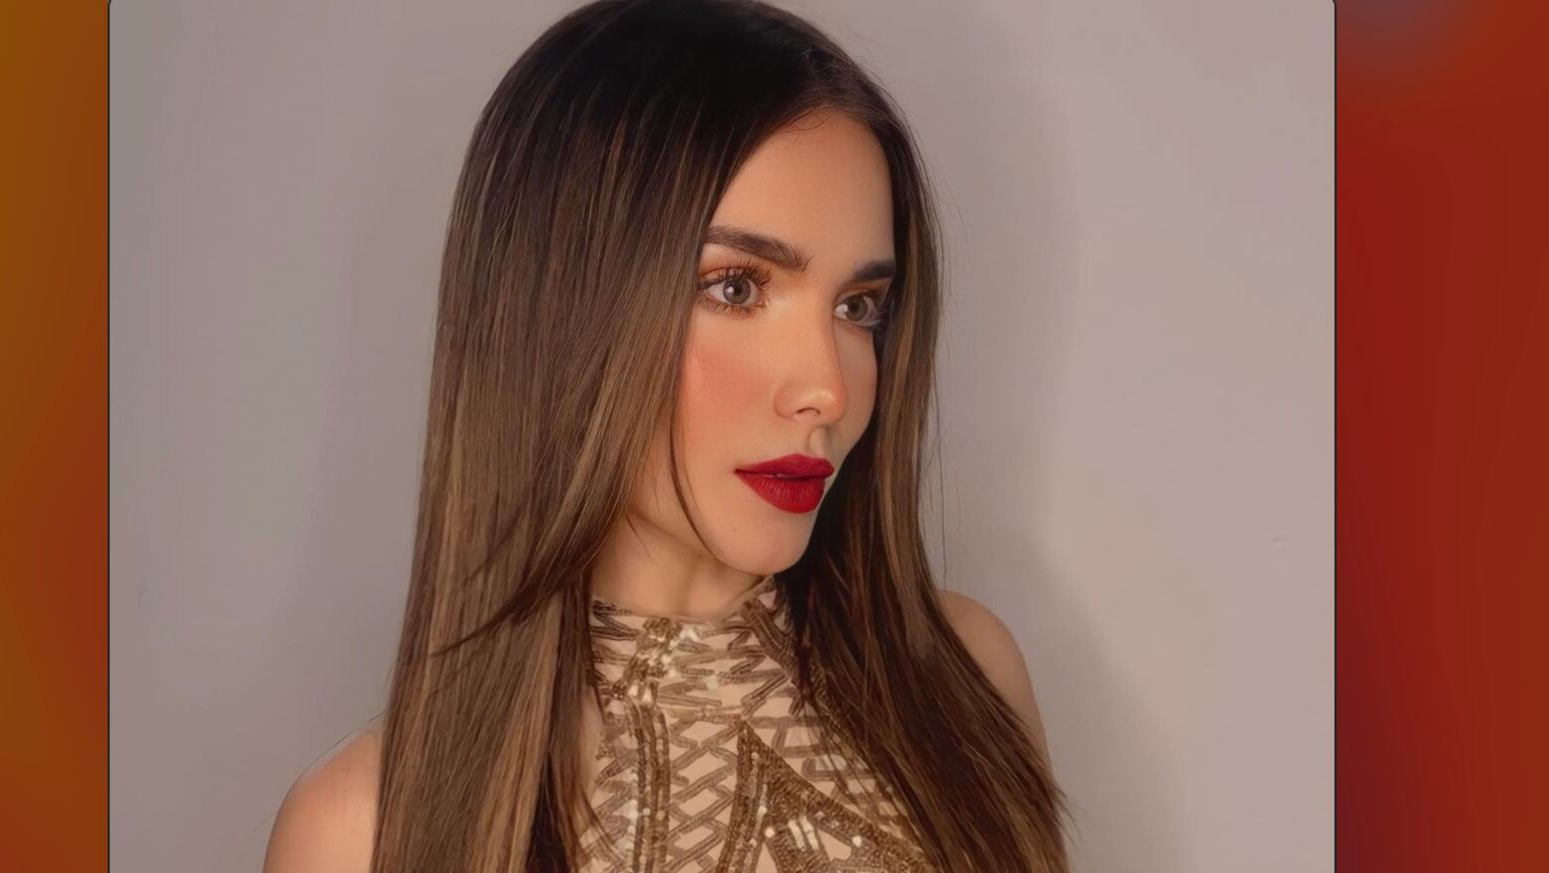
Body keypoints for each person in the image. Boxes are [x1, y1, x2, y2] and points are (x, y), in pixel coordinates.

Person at [262, 1, 1070, 870]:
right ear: (564, 309)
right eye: (736, 288)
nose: (827, 389)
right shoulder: (365, 830)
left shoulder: (962, 679)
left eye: (857, 306)